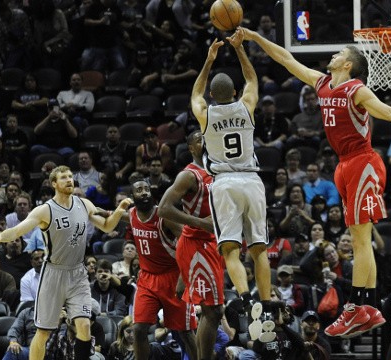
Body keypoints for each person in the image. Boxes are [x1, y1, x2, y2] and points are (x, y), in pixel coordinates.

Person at [240, 26, 391, 338]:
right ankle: (371, 308)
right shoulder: (322, 83)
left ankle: (354, 307)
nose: (333, 55)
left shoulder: (357, 90)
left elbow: (388, 111)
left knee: (361, 240)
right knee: (360, 238)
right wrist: (255, 38)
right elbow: (285, 58)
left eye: (339, 54)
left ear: (348, 64)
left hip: (363, 162)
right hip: (344, 165)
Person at [0, 165, 132, 360]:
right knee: (43, 332)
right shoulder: (44, 210)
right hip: (53, 272)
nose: (69, 180)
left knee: (85, 326)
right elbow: (18, 231)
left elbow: (106, 227)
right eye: (63, 177)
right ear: (54, 183)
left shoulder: (84, 204)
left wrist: (119, 210)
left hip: (78, 272)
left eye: (71, 176)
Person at [190, 32, 274, 336]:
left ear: (213, 96)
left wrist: (209, 61)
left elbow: (194, 95)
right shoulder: (246, 105)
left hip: (224, 183)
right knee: (259, 249)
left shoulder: (206, 113)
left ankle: (245, 297)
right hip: (252, 180)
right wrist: (240, 50)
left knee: (230, 250)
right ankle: (266, 304)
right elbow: (253, 81)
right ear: (235, 92)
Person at [157, 130, 225, 360]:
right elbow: (164, 209)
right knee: (213, 311)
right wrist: (200, 223)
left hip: (213, 243)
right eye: (199, 139)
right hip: (197, 244)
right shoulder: (188, 175)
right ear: (192, 148)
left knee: (208, 309)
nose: (205, 141)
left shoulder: (219, 170)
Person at [126, 180, 197, 360]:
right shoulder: (131, 214)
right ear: (132, 196)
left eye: (147, 189)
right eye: (139, 190)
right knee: (139, 329)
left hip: (172, 276)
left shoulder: (164, 216)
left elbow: (187, 240)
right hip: (147, 278)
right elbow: (111, 215)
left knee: (184, 332)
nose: (144, 193)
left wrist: (183, 277)